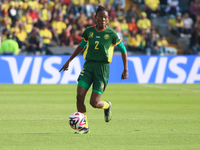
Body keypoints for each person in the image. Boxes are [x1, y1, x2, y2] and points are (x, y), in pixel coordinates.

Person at [59, 5, 129, 134]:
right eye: (100, 16)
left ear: (108, 19)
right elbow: (81, 46)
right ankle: (84, 127)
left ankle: (107, 105)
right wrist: (69, 61)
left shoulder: (112, 34)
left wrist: (126, 69)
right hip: (88, 66)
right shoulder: (89, 31)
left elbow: (123, 51)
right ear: (95, 16)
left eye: (105, 17)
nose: (103, 19)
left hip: (102, 69)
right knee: (79, 96)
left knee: (94, 102)